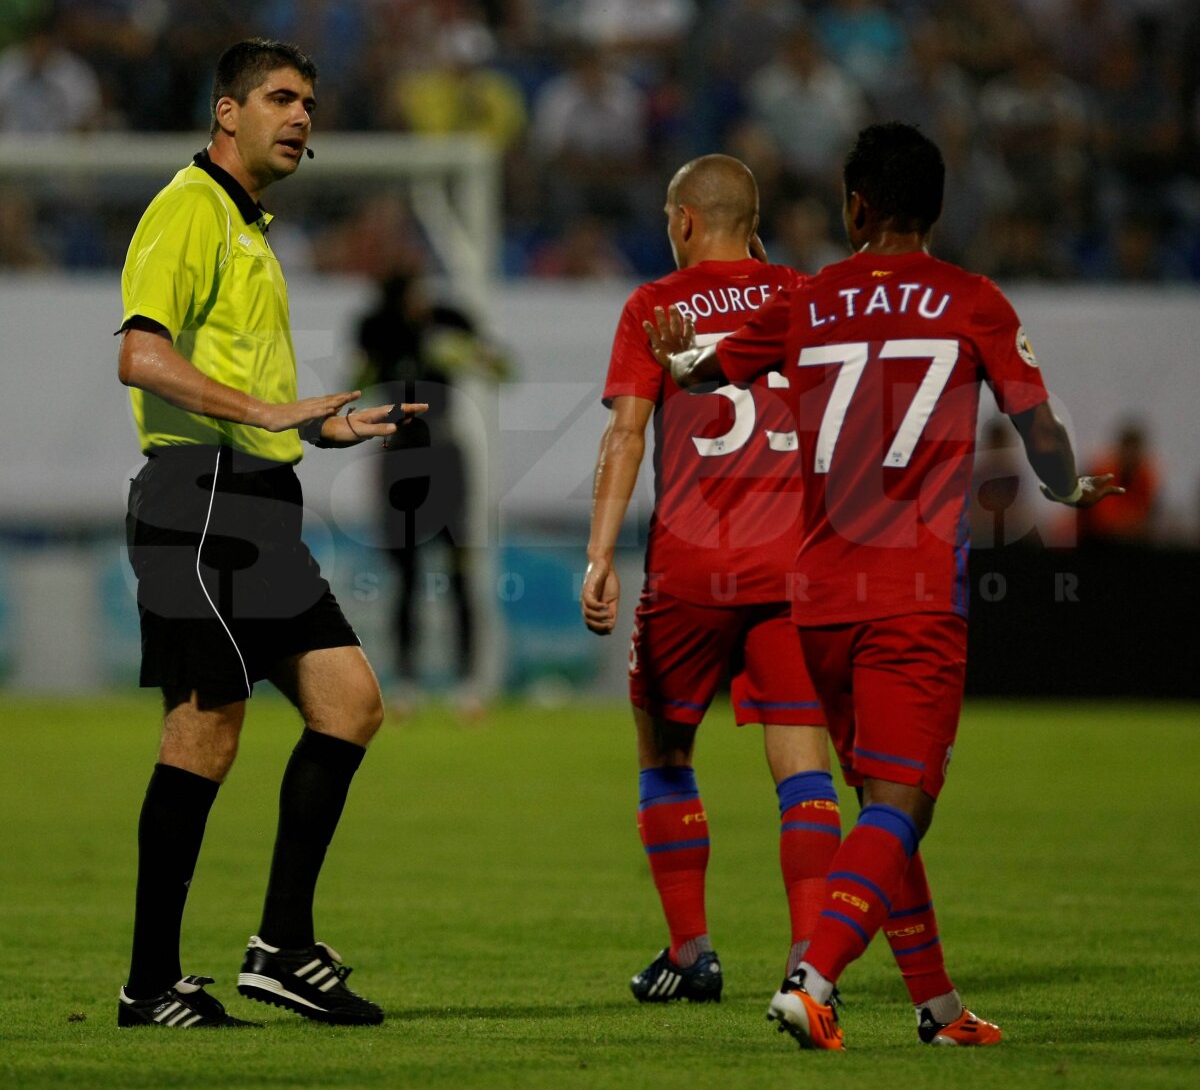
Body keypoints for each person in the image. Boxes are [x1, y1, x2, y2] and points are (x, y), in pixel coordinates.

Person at [649, 122, 1123, 1050]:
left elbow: (708, 372)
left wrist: (675, 356)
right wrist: (1067, 487)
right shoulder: (971, 299)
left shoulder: (811, 299)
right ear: (937, 209)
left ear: (855, 205)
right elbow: (1039, 426)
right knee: (904, 806)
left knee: (881, 804)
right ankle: (813, 978)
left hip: (816, 597)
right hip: (912, 595)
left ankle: (939, 1007)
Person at [583, 154, 999, 1046]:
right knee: (804, 773)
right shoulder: (810, 294)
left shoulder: (657, 307)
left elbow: (626, 432)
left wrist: (598, 553)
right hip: (796, 575)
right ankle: (809, 964)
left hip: (690, 568)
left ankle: (690, 952)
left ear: (685, 222)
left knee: (664, 756)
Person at [114, 38, 426, 1029]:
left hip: (257, 504)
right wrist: (261, 408)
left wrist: (316, 423)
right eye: (280, 99)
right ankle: (149, 983)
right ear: (226, 112)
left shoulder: (250, 226)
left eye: (308, 103)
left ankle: (281, 949)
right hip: (198, 500)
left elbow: (241, 392)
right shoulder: (189, 208)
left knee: (350, 704)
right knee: (204, 728)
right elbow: (139, 355)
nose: (299, 117)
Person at [355, 269, 510, 712]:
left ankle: (469, 683)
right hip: (399, 455)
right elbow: (356, 377)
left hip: (443, 457)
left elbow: (503, 368)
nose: (421, 299)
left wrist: (466, 354)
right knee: (405, 574)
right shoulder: (381, 332)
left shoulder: (449, 325)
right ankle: (406, 680)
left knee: (460, 570)